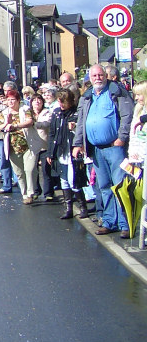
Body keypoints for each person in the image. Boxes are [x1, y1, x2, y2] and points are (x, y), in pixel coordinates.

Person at [72, 64, 134, 238]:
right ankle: (109, 222)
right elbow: (81, 122)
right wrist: (78, 143)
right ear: (90, 78)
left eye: (100, 75)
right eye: (94, 76)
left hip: (115, 148)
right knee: (104, 187)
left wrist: (121, 137)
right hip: (97, 149)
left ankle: (125, 224)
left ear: (105, 76)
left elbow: (127, 115)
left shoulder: (117, 92)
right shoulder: (87, 96)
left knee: (120, 186)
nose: (98, 78)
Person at [48, 89, 89, 220]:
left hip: (72, 151)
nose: (61, 105)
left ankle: (83, 207)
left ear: (70, 101)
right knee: (64, 180)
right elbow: (52, 134)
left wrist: (74, 127)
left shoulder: (76, 113)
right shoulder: (56, 113)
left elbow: (82, 131)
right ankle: (68, 209)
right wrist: (50, 153)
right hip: (60, 150)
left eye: (63, 102)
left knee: (74, 180)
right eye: (59, 101)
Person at [0, 90, 38, 203]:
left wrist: (15, 125)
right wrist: (6, 124)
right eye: (8, 100)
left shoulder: (25, 109)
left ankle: (30, 193)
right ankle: (24, 194)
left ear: (18, 100)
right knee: (19, 173)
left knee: (29, 170)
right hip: (13, 147)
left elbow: (29, 122)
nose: (10, 102)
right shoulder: (4, 113)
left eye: (13, 99)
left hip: (28, 145)